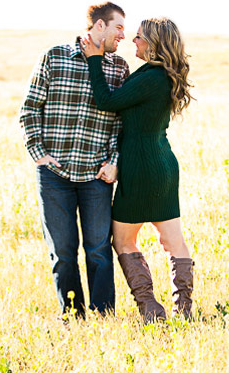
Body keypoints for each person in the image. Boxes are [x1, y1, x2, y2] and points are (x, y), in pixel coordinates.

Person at [20, 2, 129, 320]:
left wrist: (113, 161)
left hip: (96, 176)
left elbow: (120, 124)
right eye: (118, 27)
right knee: (63, 252)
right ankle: (72, 316)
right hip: (55, 175)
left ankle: (103, 317)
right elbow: (29, 108)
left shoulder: (119, 68)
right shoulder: (53, 57)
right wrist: (38, 154)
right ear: (98, 26)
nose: (124, 34)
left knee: (98, 251)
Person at [81, 16, 194, 322]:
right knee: (173, 241)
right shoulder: (159, 74)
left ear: (155, 43)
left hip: (141, 166)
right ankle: (183, 311)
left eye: (140, 37)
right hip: (162, 165)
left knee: (123, 240)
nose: (134, 41)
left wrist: (93, 60)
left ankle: (150, 309)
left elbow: (106, 101)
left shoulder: (152, 77)